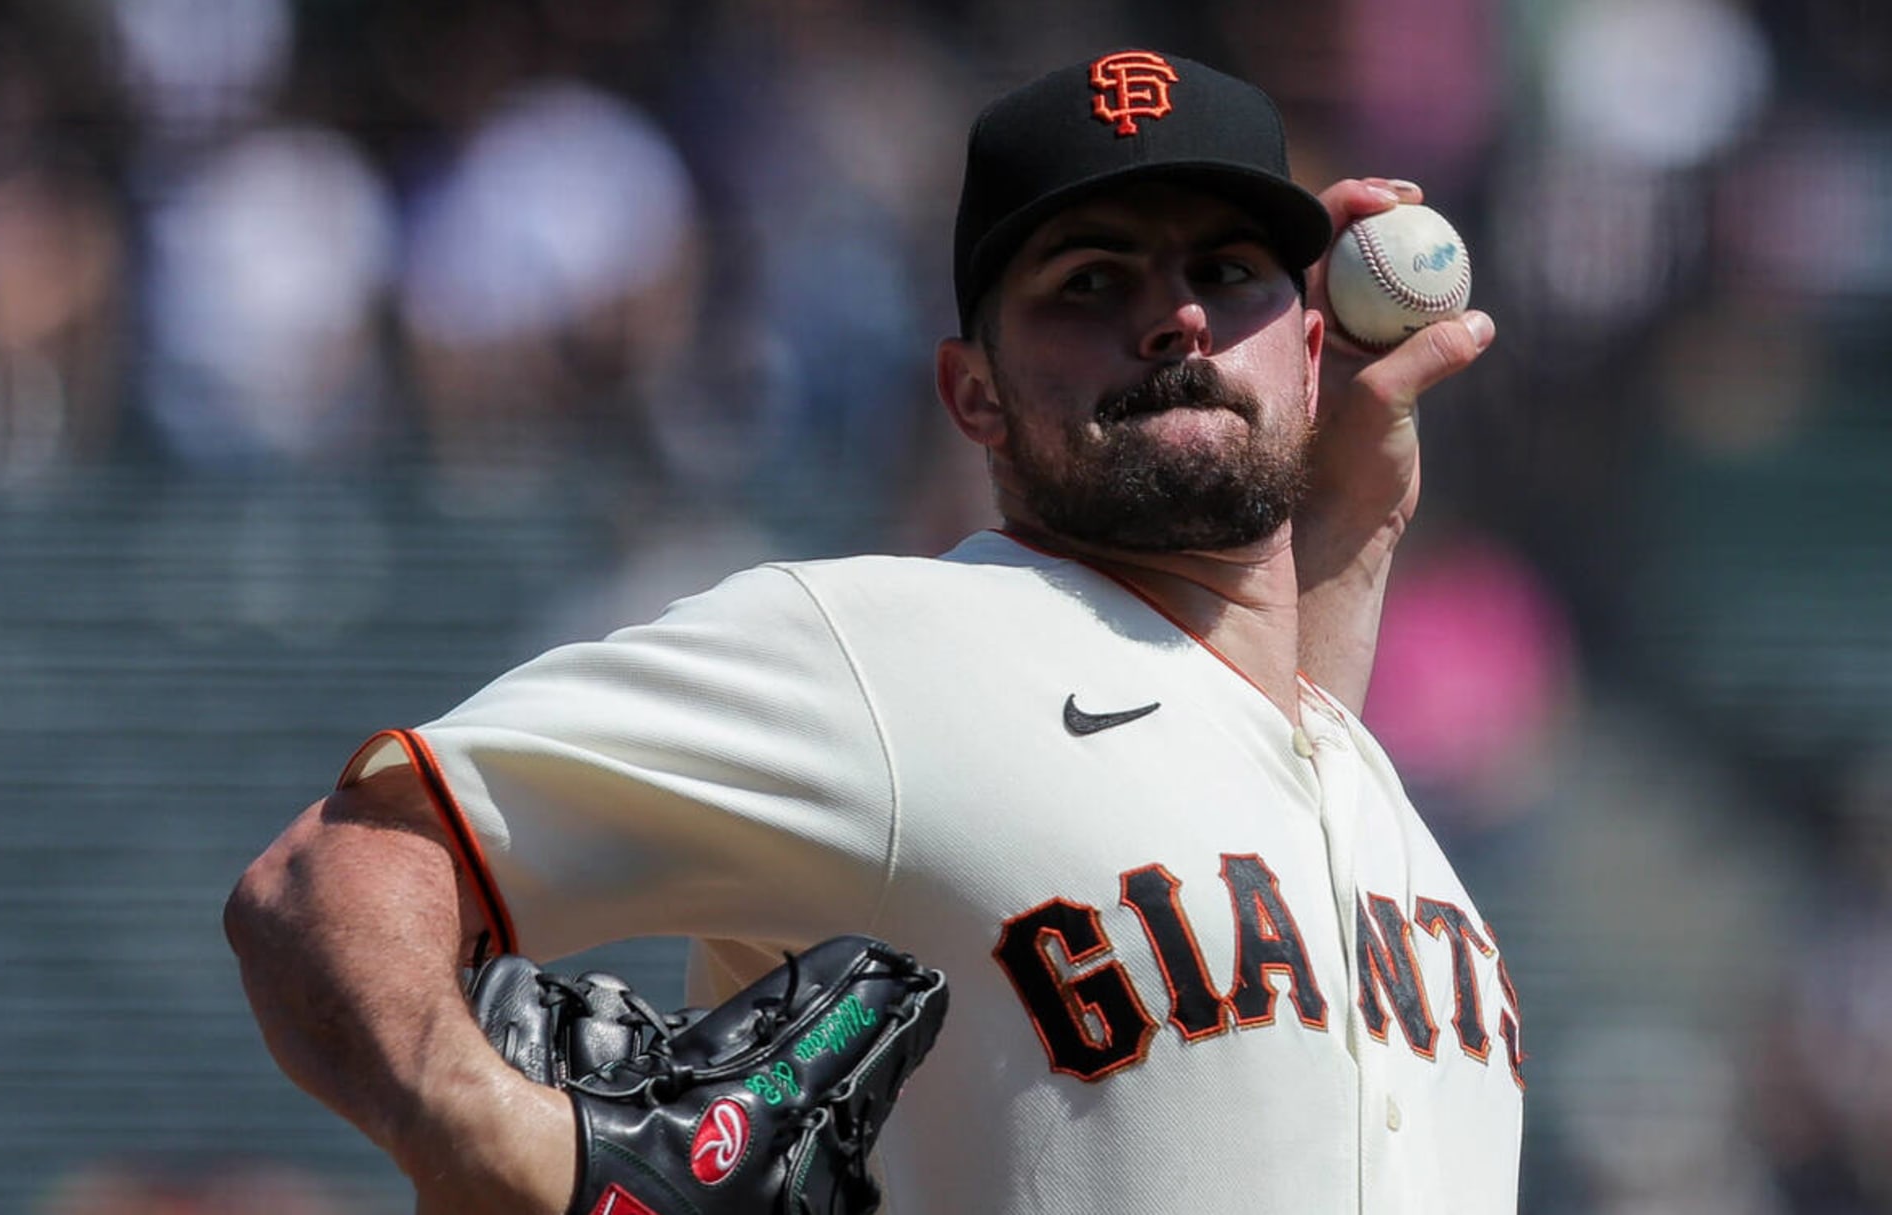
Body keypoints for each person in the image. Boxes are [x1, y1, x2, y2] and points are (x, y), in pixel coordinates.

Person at [225, 49, 1520, 1214]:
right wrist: (499, 1143)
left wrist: (1351, 518)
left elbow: (1233, 752)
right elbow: (327, 882)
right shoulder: (883, 649)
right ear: (975, 395)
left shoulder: (1348, 775)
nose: (1173, 315)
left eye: (1226, 272)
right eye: (1090, 279)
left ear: (1305, 348)